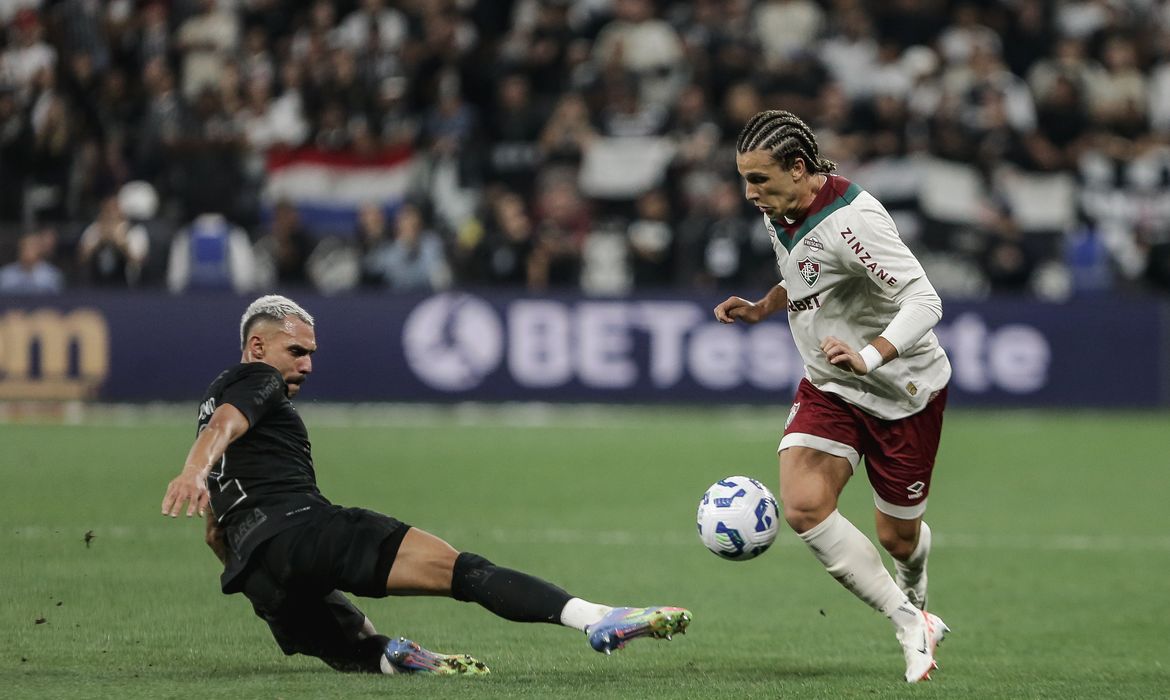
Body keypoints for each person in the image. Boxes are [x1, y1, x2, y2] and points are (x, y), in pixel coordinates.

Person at [161, 294, 689, 676]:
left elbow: (215, 533)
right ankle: (595, 618)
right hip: (306, 531)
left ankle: (400, 661)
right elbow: (223, 425)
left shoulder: (216, 395)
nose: (307, 365)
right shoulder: (256, 381)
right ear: (257, 346)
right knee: (467, 572)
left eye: (313, 353)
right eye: (297, 351)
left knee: (357, 647)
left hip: (254, 568)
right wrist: (192, 469)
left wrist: (255, 573)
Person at [714, 110, 951, 683]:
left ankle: (914, 588)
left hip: (902, 391)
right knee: (802, 506)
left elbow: (926, 301)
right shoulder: (784, 208)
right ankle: (907, 618)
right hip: (830, 384)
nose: (751, 194)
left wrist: (869, 356)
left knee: (899, 538)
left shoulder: (856, 221)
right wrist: (764, 306)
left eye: (760, 180)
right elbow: (805, 276)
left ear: (799, 169)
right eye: (744, 180)